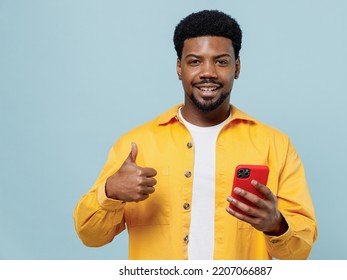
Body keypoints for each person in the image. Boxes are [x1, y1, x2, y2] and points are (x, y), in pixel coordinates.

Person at [74, 9, 317, 260]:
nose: (208, 72)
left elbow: (300, 250)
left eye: (221, 61)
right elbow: (91, 236)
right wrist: (111, 191)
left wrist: (276, 224)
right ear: (179, 67)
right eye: (194, 61)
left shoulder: (274, 145)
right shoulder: (136, 145)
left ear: (237, 67)